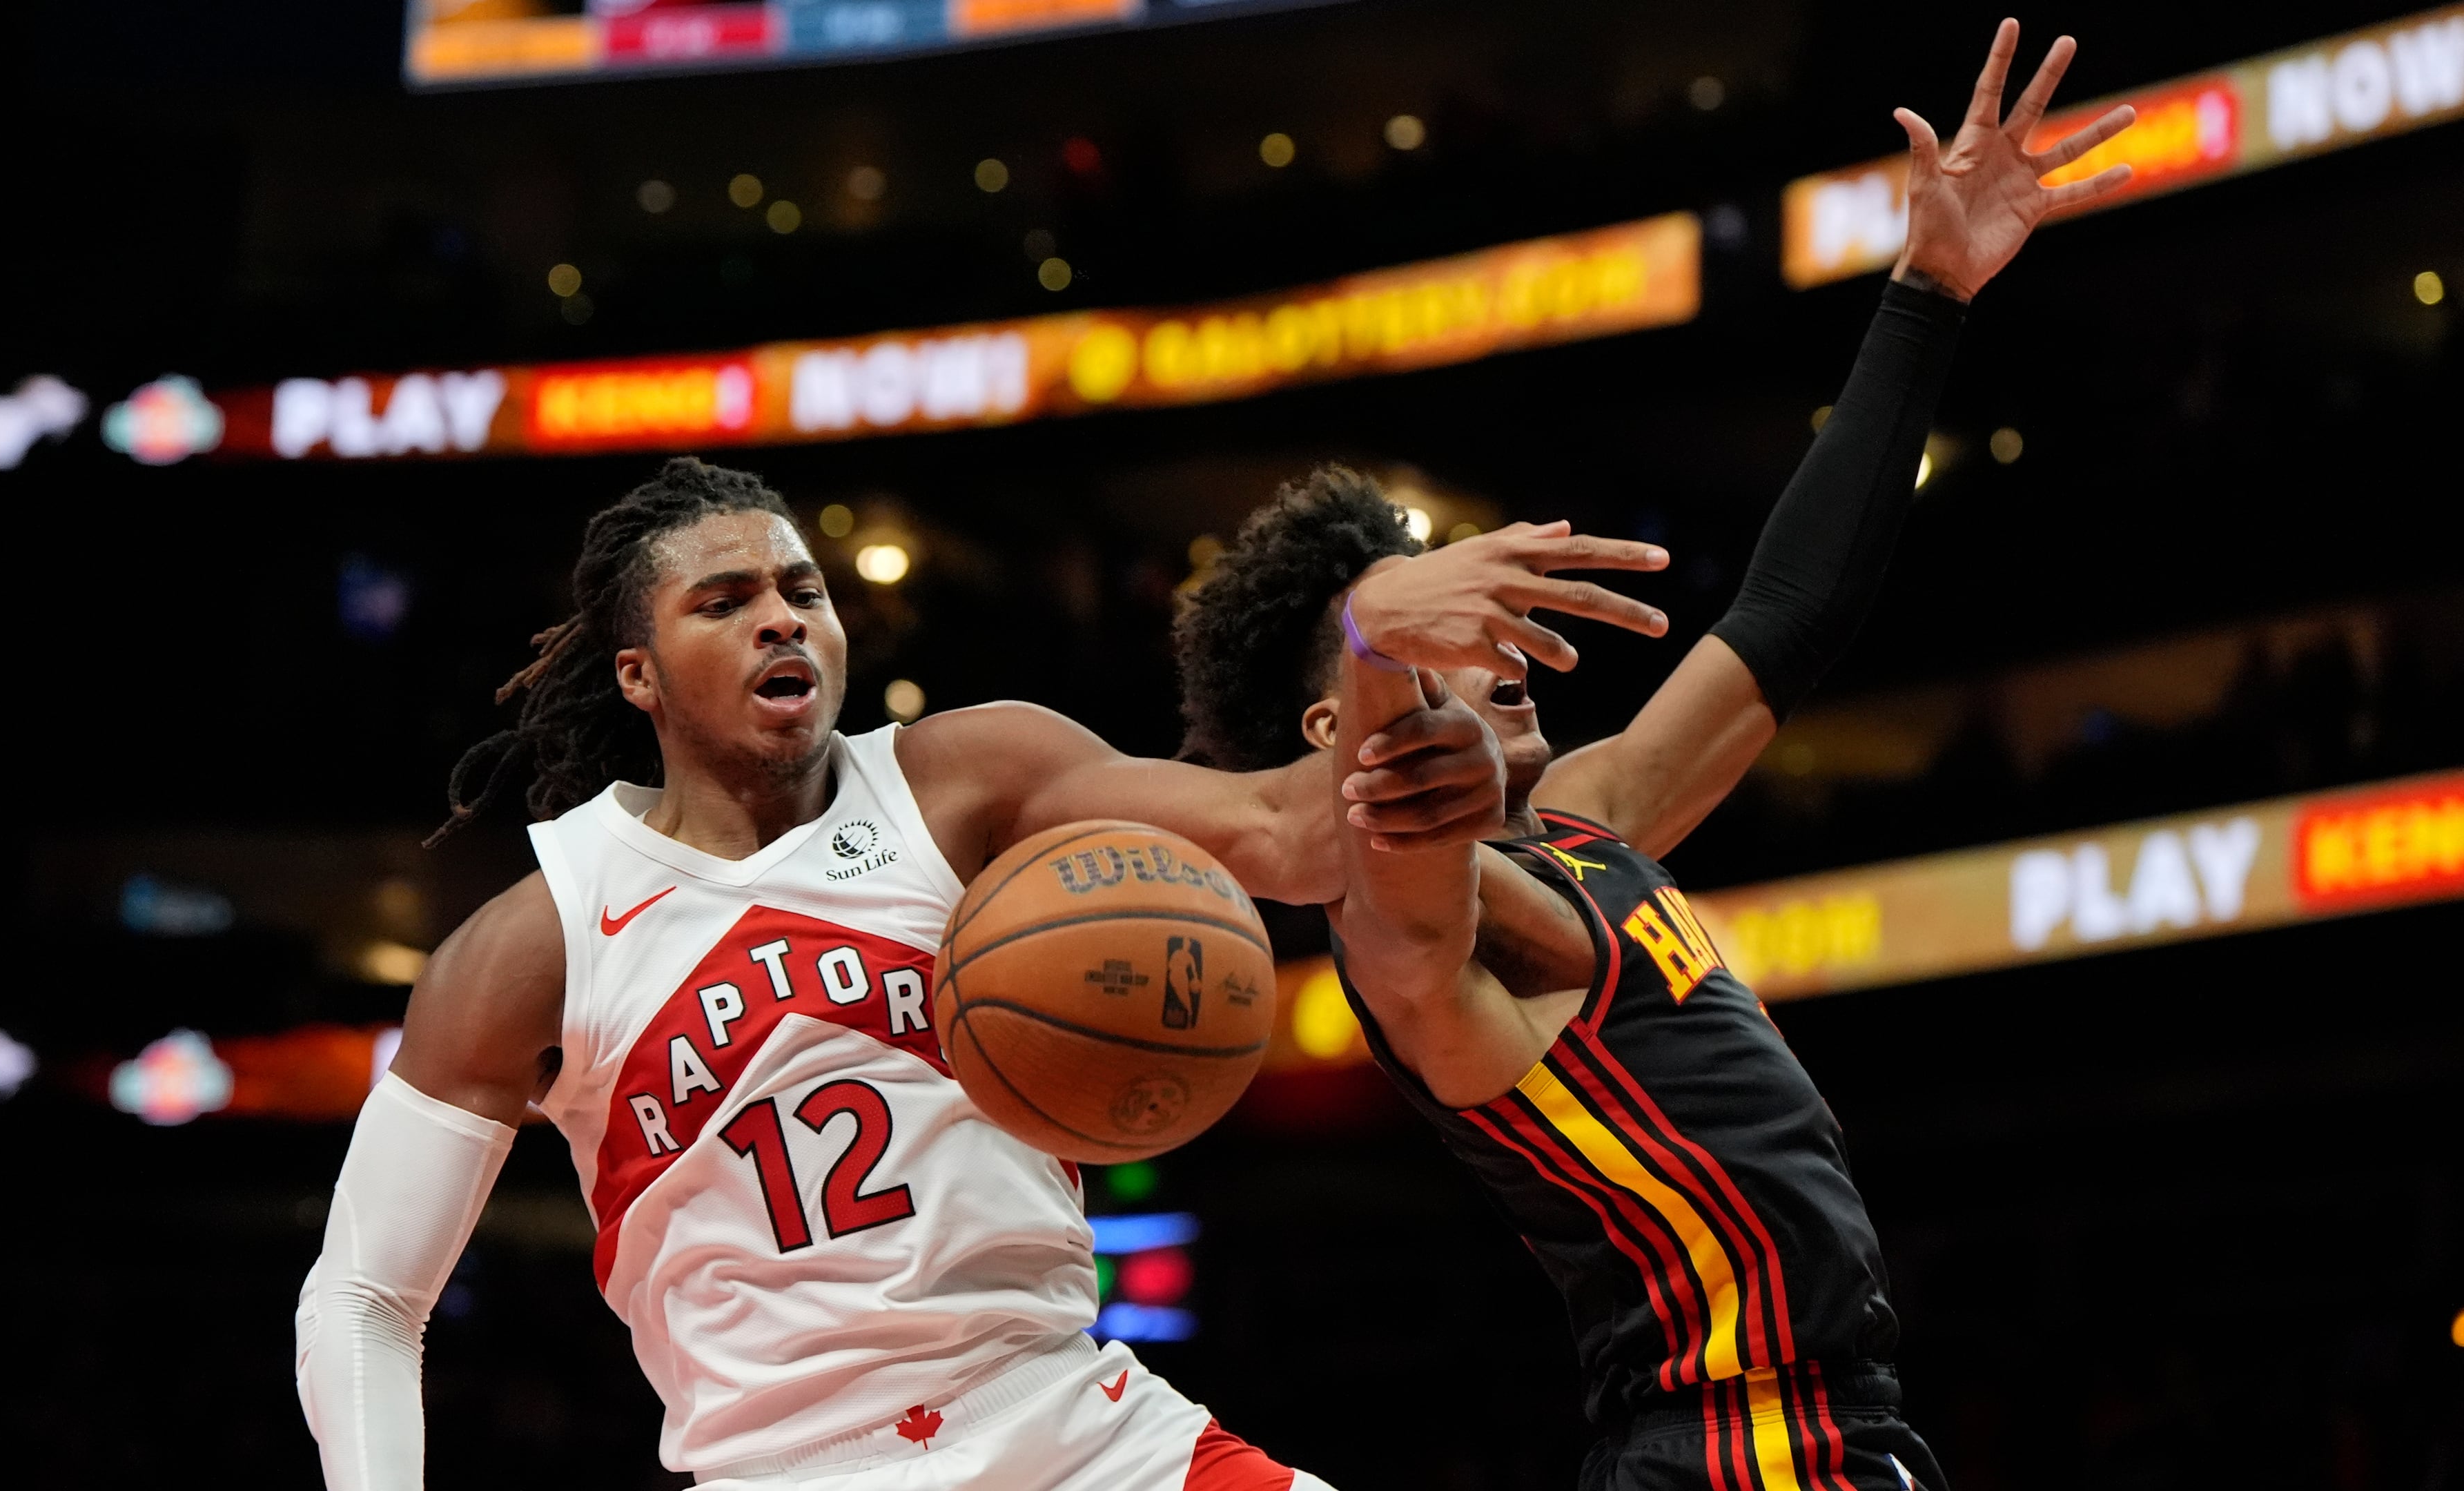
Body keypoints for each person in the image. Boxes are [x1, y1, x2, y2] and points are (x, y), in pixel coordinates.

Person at [291, 455, 1664, 1491]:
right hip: (793, 1470)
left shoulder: (967, 777)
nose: (785, 622)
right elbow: (364, 1294)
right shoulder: (534, 941)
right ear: (642, 677)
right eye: (729, 603)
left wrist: (1377, 648)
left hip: (1074, 1424)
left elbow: (1285, 836)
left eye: (802, 592)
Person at [1171, 23, 2133, 1489]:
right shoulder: (1416, 932)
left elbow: (1791, 616)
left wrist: (1926, 296)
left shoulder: (1585, 817)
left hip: (1821, 1431)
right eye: (1448, 629)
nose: (1490, 640)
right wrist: (1373, 632)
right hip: (1737, 1443)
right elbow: (1385, 851)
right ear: (1336, 724)